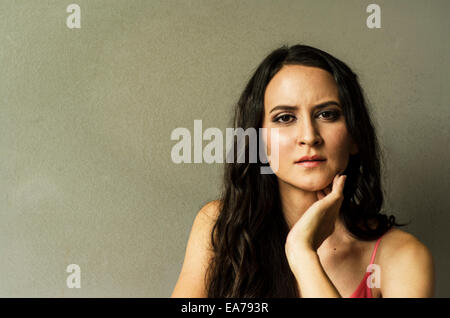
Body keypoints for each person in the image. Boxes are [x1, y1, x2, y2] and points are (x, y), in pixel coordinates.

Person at [171, 44, 435, 298]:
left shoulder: (401, 257)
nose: (309, 137)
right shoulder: (220, 226)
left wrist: (302, 253)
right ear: (259, 140)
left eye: (327, 114)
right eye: (285, 118)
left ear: (354, 135)